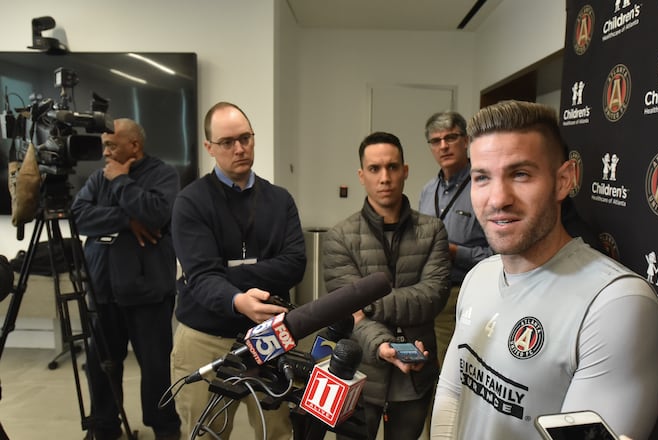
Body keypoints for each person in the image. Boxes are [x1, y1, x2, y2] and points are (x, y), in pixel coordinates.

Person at [431, 100, 658, 439]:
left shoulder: (616, 304)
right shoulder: (478, 276)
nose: (498, 199)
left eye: (520, 174)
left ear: (563, 180)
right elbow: (453, 391)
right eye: (482, 177)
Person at [170, 102, 306, 439]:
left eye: (245, 138)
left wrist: (222, 276)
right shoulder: (191, 202)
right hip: (205, 338)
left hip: (269, 336)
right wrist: (237, 299)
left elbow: (294, 264)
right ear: (209, 147)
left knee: (277, 430)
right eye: (227, 142)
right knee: (205, 432)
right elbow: (202, 277)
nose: (239, 148)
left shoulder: (280, 200)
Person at [322, 131, 450, 439]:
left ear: (405, 171)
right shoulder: (339, 237)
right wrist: (382, 345)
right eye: (374, 169)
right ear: (361, 175)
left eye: (392, 167)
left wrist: (365, 303)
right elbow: (348, 312)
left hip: (415, 375)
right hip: (360, 371)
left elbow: (432, 296)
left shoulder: (433, 231)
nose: (385, 177)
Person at [71, 118, 182, 440]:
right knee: (100, 364)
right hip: (103, 289)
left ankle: (165, 428)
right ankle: (104, 427)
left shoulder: (163, 174)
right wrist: (127, 221)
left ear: (134, 145)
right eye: (104, 145)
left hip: (148, 292)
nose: (105, 152)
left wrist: (121, 181)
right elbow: (79, 216)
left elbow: (156, 213)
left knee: (156, 368)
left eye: (111, 145)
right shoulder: (99, 176)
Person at [418, 111, 491, 368]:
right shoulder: (428, 190)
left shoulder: (483, 185)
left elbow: (499, 255)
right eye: (436, 140)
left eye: (451, 137)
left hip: (465, 292)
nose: (443, 146)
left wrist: (454, 251)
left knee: (456, 367)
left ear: (466, 140)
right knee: (426, 364)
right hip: (427, 293)